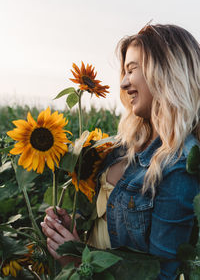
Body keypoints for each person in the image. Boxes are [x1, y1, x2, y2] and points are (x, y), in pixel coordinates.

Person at [41, 24, 200, 279]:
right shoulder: (126, 144)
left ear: (166, 72)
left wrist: (76, 260)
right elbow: (111, 235)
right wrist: (75, 235)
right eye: (124, 72)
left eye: (132, 69)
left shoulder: (179, 163)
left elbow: (159, 274)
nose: (124, 83)